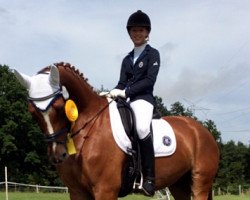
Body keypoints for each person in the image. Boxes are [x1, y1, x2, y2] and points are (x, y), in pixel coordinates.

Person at [109, 10, 160, 196]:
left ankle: (149, 179)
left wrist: (125, 92)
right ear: (129, 33)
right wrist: (111, 93)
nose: (137, 33)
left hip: (144, 100)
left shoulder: (153, 54)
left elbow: (149, 81)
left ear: (147, 33)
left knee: (141, 129)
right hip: (127, 100)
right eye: (134, 30)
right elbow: (121, 83)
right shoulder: (126, 59)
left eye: (141, 30)